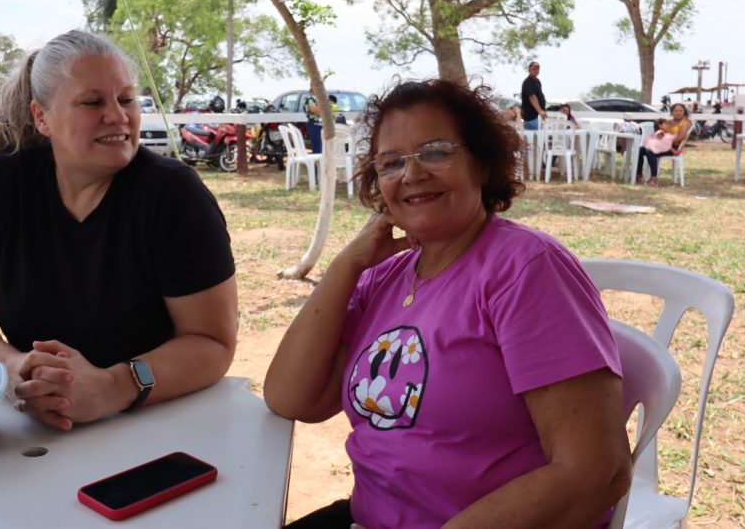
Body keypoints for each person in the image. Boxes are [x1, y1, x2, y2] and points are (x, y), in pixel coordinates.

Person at [264, 79, 631, 529]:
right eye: (391, 163)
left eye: (436, 152)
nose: (412, 174)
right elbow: (292, 398)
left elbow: (596, 472)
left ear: (480, 163)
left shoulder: (526, 270)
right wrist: (348, 262)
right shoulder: (385, 277)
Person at [0, 30, 238, 431]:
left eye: (126, 99)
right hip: (34, 428)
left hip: (157, 423)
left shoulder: (173, 194)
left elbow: (212, 343)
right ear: (42, 117)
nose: (117, 115)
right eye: (93, 102)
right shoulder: (6, 182)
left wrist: (114, 385)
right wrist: (15, 371)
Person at [637, 102, 692, 187]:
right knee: (641, 149)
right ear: (672, 112)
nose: (678, 112)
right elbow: (660, 132)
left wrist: (666, 141)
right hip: (662, 145)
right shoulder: (668, 122)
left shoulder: (686, 122)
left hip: (673, 147)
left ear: (684, 112)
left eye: (681, 110)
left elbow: (681, 137)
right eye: (676, 110)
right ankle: (639, 175)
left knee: (650, 152)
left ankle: (653, 178)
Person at [520, 60, 546, 131]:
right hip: (531, 117)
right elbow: (532, 97)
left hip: (538, 117)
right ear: (529, 70)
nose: (536, 70)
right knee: (534, 138)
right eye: (534, 69)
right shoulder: (527, 82)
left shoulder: (537, 81)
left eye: (537, 69)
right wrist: (540, 111)